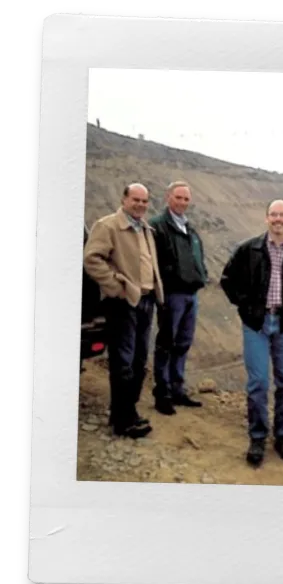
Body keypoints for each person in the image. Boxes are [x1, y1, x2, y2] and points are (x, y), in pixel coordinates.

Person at [220, 199, 283, 467]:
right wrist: (246, 306)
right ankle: (257, 438)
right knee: (258, 384)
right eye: (274, 215)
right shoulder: (248, 250)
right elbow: (227, 280)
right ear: (267, 218)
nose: (278, 219)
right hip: (256, 324)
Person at [83, 182, 165, 438]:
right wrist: (116, 286)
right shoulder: (108, 225)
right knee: (123, 362)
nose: (140, 205)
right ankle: (122, 420)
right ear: (124, 199)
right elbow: (91, 259)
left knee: (140, 360)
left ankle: (128, 412)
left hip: (146, 302)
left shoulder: (146, 228)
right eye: (135, 200)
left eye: (144, 201)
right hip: (123, 303)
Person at [148, 181, 209, 415]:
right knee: (166, 342)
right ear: (168, 197)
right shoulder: (158, 226)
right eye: (178, 197)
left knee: (183, 343)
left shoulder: (189, 228)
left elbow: (196, 255)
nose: (183, 202)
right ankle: (161, 392)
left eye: (186, 198)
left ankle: (177, 389)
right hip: (172, 294)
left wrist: (202, 274)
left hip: (191, 294)